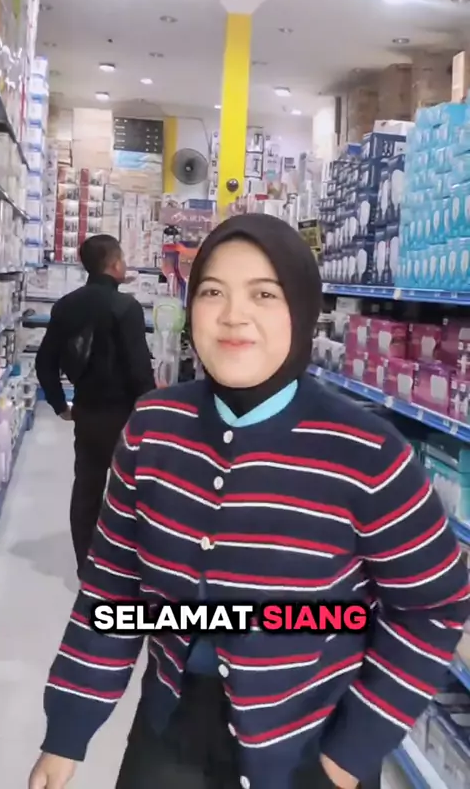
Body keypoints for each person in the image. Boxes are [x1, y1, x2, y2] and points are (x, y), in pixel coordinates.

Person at [29, 214, 469, 789]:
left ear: (302, 310)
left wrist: (348, 754)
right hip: (172, 724)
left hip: (309, 742)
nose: (234, 315)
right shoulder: (153, 428)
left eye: (264, 294)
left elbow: (433, 606)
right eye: (212, 292)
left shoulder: (368, 453)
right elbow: (113, 585)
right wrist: (68, 729)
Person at [35, 234, 155, 577]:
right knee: (134, 490)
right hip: (125, 417)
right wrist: (152, 413)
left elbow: (45, 362)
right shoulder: (126, 308)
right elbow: (138, 370)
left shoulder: (66, 305)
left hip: (87, 412)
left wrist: (60, 404)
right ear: (114, 264)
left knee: (87, 488)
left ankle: (85, 566)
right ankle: (128, 565)